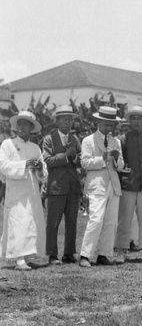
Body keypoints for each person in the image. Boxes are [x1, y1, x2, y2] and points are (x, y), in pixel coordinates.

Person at [0, 111, 47, 270]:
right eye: (19, 123)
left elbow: (43, 174)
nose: (21, 127)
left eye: (25, 124)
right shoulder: (8, 144)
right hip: (16, 191)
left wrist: (40, 168)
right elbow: (3, 166)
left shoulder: (35, 148)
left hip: (32, 191)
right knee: (19, 222)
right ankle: (19, 259)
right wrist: (24, 165)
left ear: (31, 127)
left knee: (31, 222)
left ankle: (27, 257)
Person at [78, 106, 124, 267]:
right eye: (106, 124)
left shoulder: (116, 142)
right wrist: (102, 159)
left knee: (111, 221)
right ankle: (85, 255)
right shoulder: (88, 141)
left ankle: (103, 254)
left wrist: (117, 160)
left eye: (111, 125)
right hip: (96, 185)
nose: (109, 128)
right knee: (96, 220)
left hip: (113, 185)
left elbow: (121, 166)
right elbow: (84, 163)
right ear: (98, 122)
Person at [42, 105, 82, 265]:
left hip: (73, 186)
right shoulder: (49, 139)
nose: (67, 122)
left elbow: (80, 161)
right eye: (64, 119)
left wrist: (75, 157)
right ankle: (52, 254)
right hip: (56, 187)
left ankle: (69, 253)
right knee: (53, 222)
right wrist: (65, 156)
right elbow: (48, 161)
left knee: (72, 222)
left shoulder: (75, 139)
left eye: (70, 119)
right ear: (57, 121)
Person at [115, 106, 142, 265]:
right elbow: (119, 163)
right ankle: (120, 251)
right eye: (134, 118)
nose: (136, 121)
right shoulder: (122, 139)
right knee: (125, 219)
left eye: (140, 118)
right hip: (128, 184)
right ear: (130, 121)